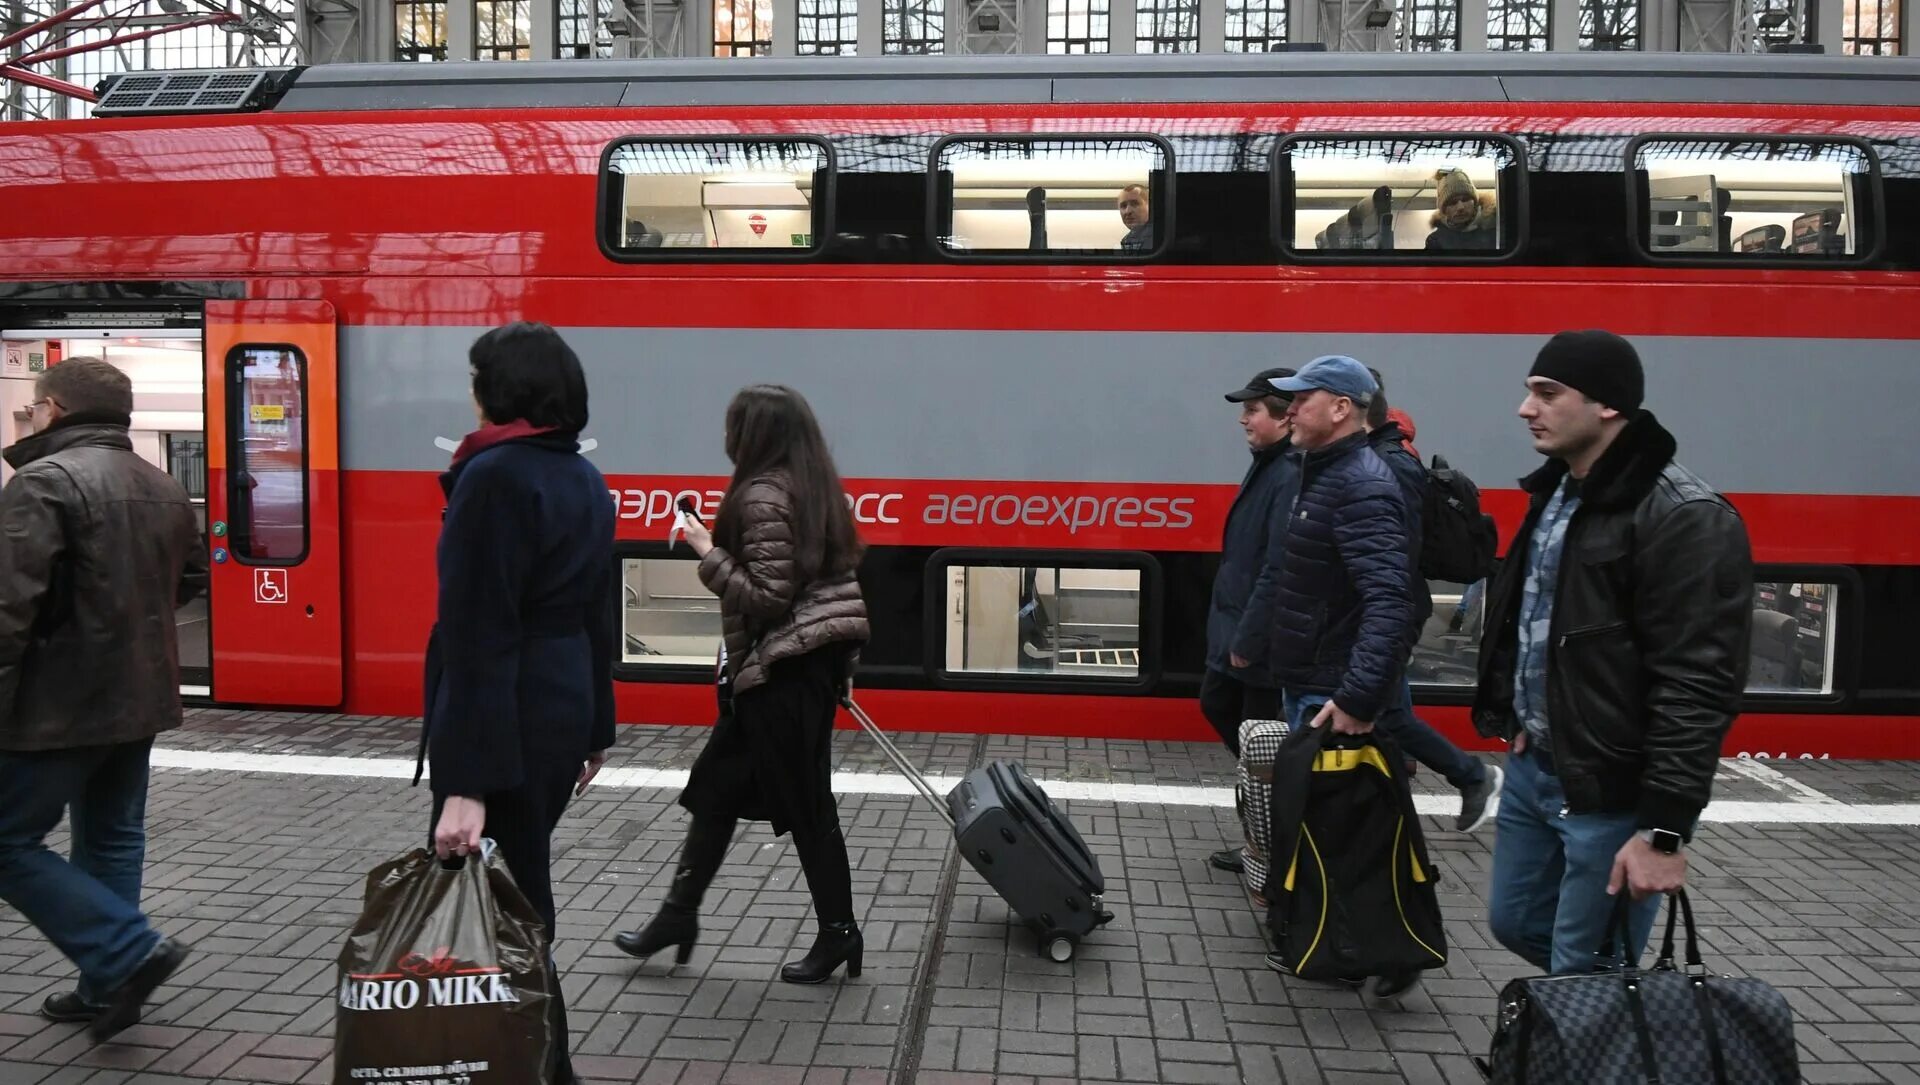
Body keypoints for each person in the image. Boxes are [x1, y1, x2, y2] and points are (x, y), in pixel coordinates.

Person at [1476, 330, 1752, 975]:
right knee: (1514, 922)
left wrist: (1663, 831)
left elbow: (1698, 682)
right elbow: (1536, 621)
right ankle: (1595, 1025)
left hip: (1612, 790)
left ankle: (1595, 1043)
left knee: (1584, 962)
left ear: (1607, 406)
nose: (1526, 409)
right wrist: (1519, 712)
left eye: (1548, 394)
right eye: (1528, 393)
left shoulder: (1685, 516)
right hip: (1537, 765)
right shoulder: (1557, 494)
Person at [612, 384, 871, 985]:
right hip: (800, 671)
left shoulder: (759, 495)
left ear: (751, 434)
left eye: (733, 426)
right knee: (717, 790)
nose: (726, 437)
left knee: (801, 808)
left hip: (781, 676)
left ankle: (837, 933)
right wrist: (841, 671)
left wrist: (704, 546)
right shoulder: (814, 489)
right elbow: (833, 593)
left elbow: (767, 595)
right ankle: (679, 915)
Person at [423, 322, 617, 1084]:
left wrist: (465, 783)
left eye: (475, 381)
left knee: (510, 908)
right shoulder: (582, 476)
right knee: (514, 897)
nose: (469, 396)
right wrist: (597, 723)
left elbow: (479, 630)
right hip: (559, 704)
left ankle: (544, 1070)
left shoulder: (495, 475)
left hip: (507, 713)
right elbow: (597, 611)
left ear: (498, 391)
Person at [0, 357, 204, 1040]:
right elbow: (189, 582)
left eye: (34, 408)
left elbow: (8, 609)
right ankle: (106, 986)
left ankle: (125, 951)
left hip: (59, 705)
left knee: (6, 838)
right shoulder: (162, 484)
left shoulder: (42, 482)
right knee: (112, 837)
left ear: (55, 408)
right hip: (139, 695)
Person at [1260, 355, 1420, 998]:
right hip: (1315, 676)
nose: (1289, 409)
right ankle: (1351, 943)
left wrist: (1356, 696)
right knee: (1331, 824)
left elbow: (1390, 600)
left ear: (1342, 408)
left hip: (1332, 687)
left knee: (1339, 828)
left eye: (1303, 398)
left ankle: (1366, 950)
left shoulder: (1361, 483)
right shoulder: (1325, 474)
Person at [1364, 369, 1502, 832]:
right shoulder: (1390, 451)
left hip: (1390, 605)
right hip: (1396, 604)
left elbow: (1393, 549)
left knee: (1381, 708)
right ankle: (1402, 766)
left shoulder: (1389, 461)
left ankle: (1473, 775)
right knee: (1390, 706)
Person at [1203, 367, 1298, 873]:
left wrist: (1250, 634)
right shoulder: (1267, 464)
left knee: (1259, 748)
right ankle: (1263, 835)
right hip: (1238, 626)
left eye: (1253, 409)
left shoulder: (1287, 473)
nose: (1243, 418)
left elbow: (1277, 566)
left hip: (1257, 640)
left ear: (1285, 418)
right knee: (1223, 712)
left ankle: (1267, 845)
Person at [1425, 169, 1498, 251]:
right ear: (1444, 210)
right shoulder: (1435, 241)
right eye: (1452, 202)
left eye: (1465, 199)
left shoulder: (1497, 230)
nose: (1460, 207)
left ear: (1475, 202)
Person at [1117, 184, 1153, 252]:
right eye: (1123, 206)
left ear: (1150, 206)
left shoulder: (1161, 237)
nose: (1128, 211)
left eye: (1134, 204)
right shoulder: (1127, 240)